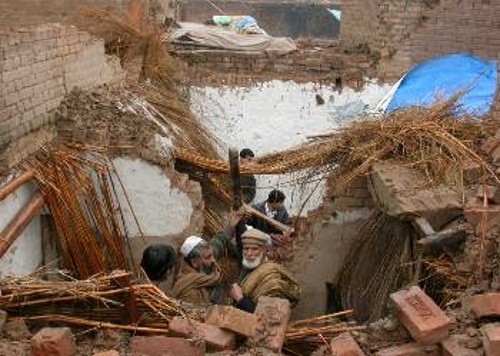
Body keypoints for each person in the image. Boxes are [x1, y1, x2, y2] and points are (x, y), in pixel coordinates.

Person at [172, 210, 244, 305]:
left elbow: (220, 240)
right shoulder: (189, 290)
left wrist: (231, 226)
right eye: (208, 257)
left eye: (212, 255)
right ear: (194, 262)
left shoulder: (205, 258)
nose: (213, 260)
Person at [229, 228, 301, 313]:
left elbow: (268, 317)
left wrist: (240, 299)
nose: (248, 253)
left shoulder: (273, 280)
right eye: (246, 248)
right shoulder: (248, 267)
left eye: (254, 249)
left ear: (265, 250)